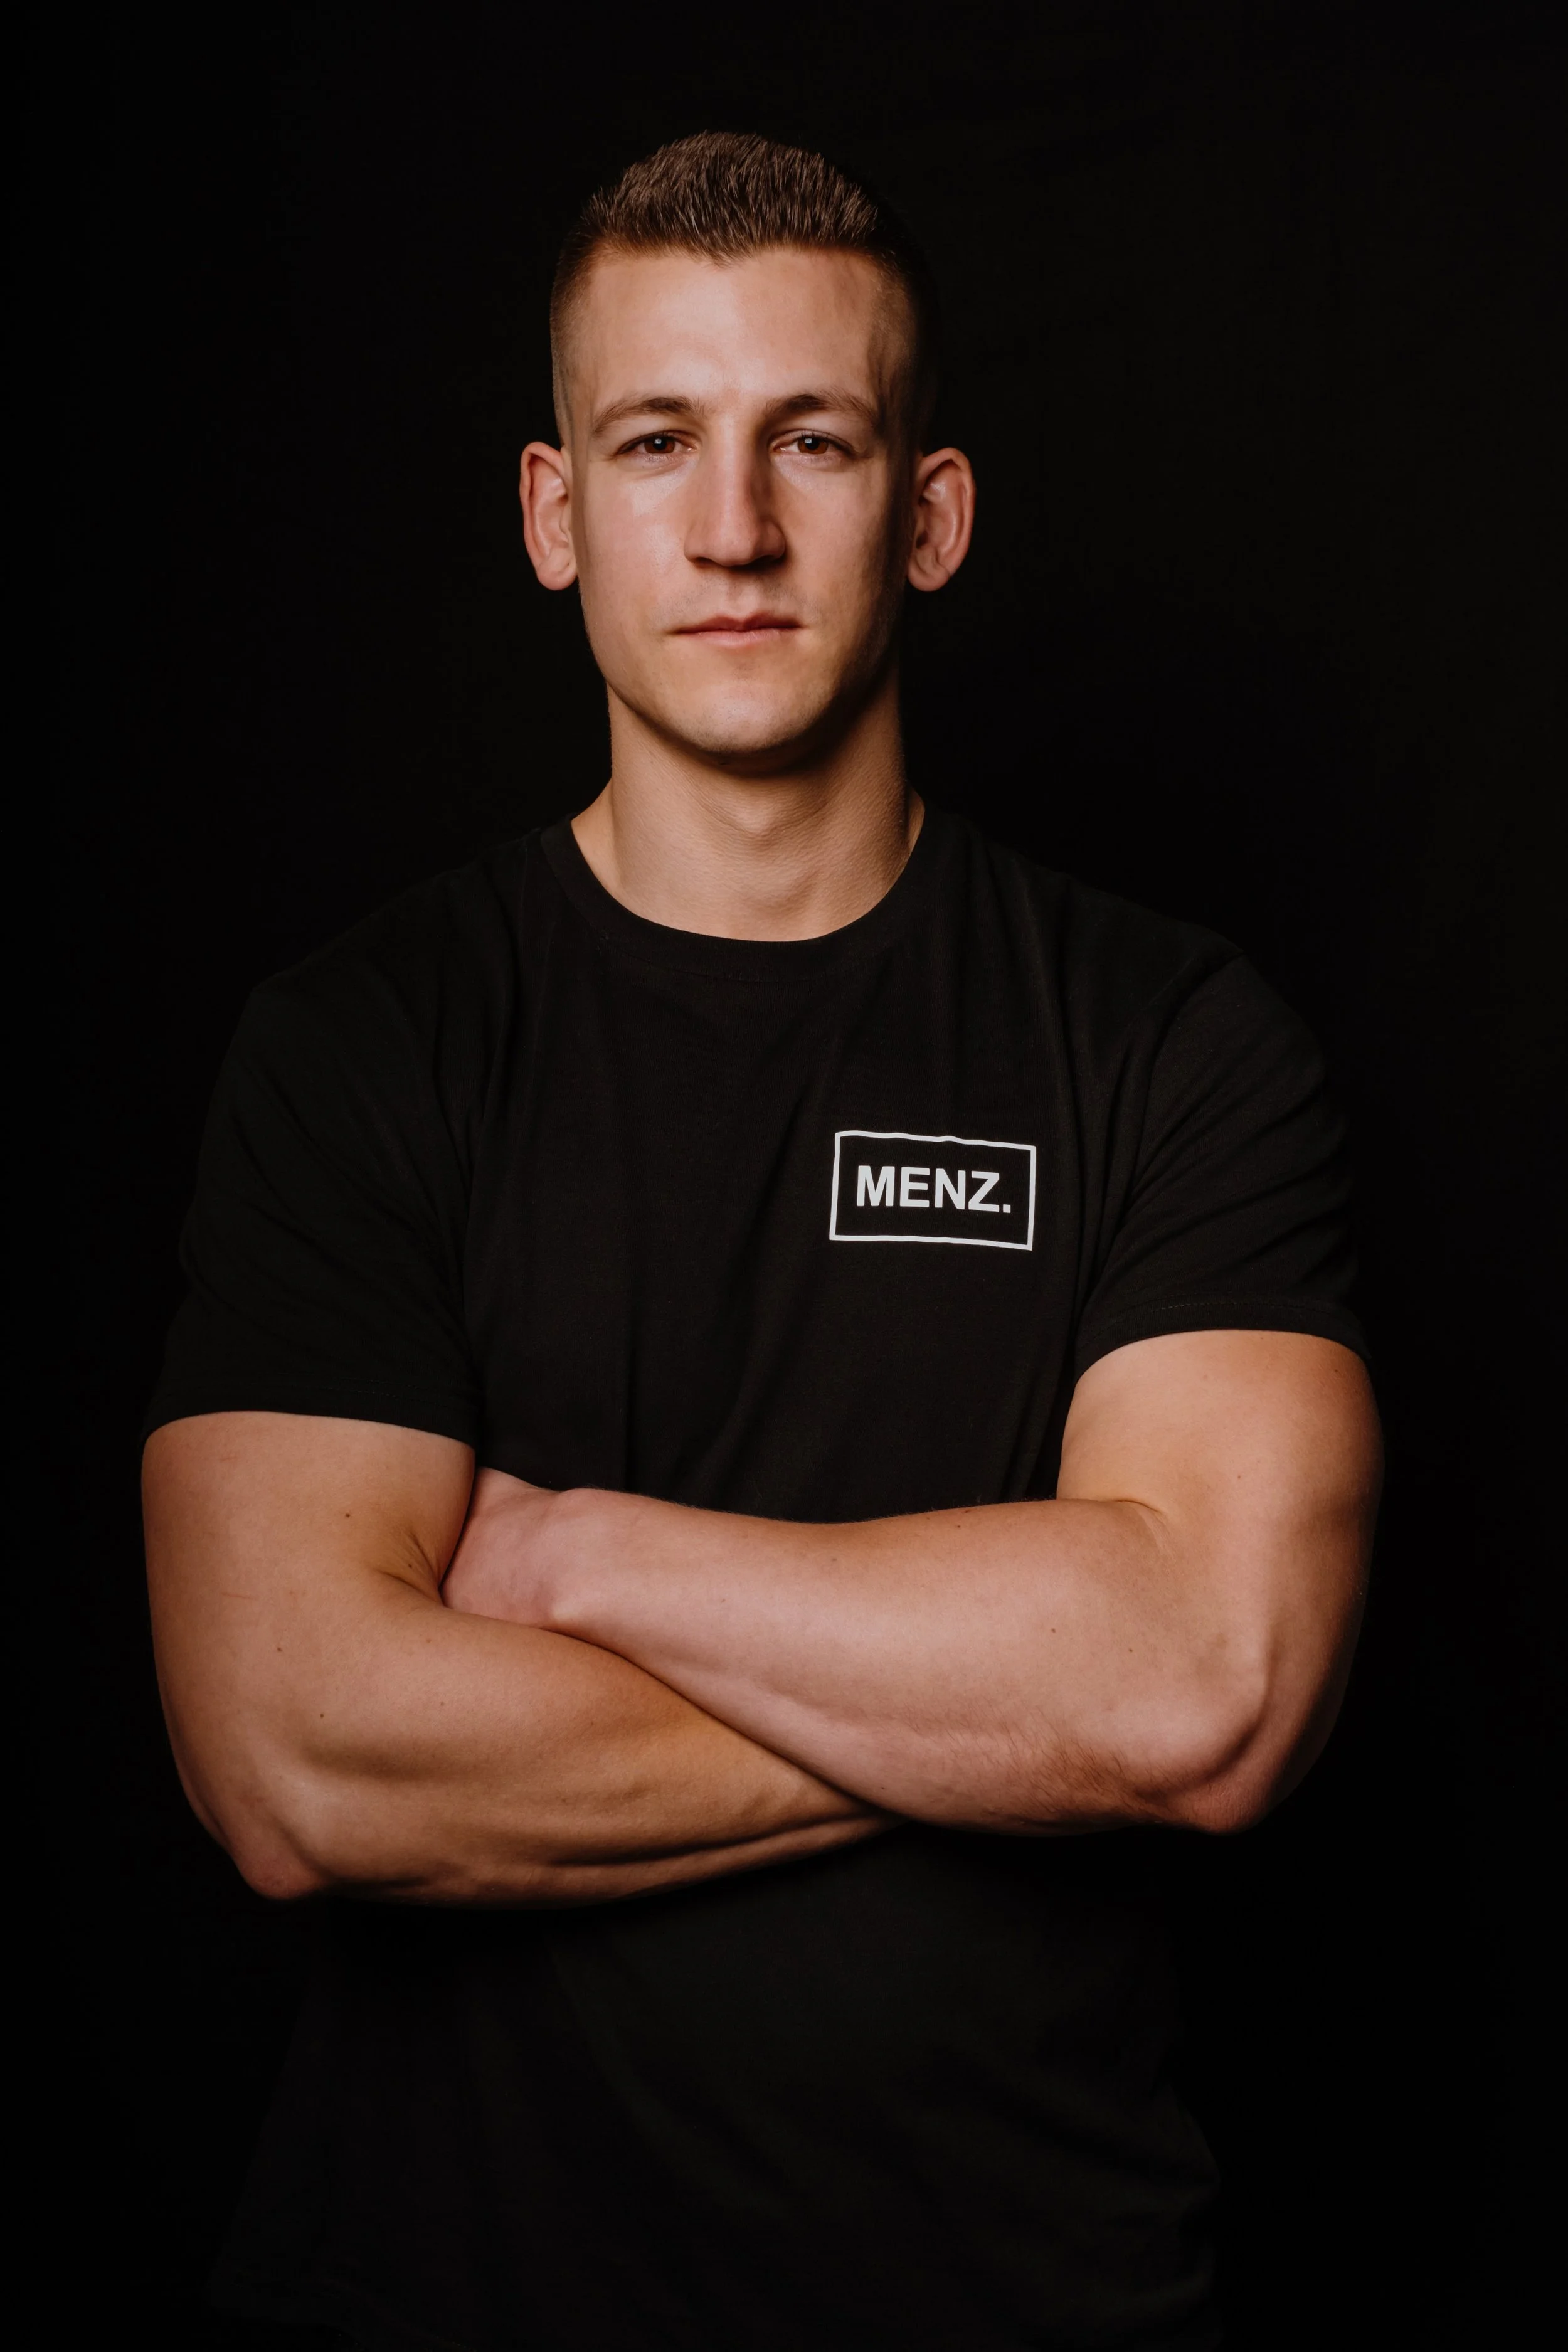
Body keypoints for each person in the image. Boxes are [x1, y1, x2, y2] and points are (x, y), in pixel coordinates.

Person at [143, 132, 1380, 2352]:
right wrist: (1006, 1710)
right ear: (553, 513)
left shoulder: (1167, 1039)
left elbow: (1210, 1682)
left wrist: (579, 1555)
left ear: (930, 511)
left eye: (811, 439)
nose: (731, 525)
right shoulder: (364, 1045)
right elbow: (295, 1753)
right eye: (656, 442)